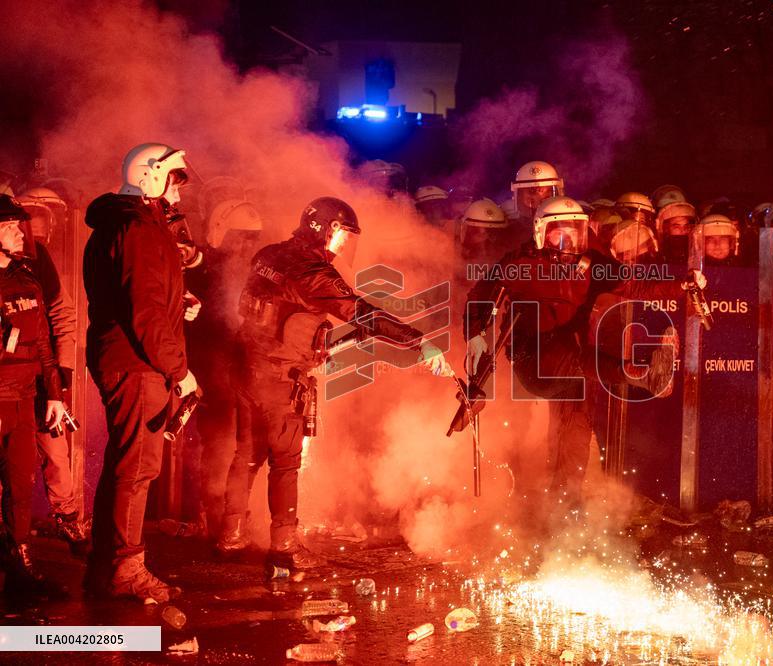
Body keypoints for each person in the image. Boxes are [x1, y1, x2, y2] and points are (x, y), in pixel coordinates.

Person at [217, 197, 450, 570]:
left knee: (246, 455)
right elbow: (363, 314)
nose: (343, 245)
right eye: (342, 235)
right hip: (280, 376)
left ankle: (230, 535)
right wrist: (417, 341)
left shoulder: (270, 254)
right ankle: (285, 548)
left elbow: (277, 311)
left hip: (247, 369)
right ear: (324, 228)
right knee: (285, 463)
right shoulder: (313, 271)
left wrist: (317, 346)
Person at [464, 197, 672, 505]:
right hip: (532, 356)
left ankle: (566, 500)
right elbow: (481, 296)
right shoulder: (522, 264)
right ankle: (638, 373)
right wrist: (476, 335)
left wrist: (683, 286)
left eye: (576, 233)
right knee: (569, 364)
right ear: (541, 233)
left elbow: (636, 286)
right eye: (559, 234)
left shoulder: (592, 264)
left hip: (571, 355)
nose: (569, 242)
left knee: (576, 421)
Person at [83, 143, 199, 602]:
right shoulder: (138, 229)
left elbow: (141, 297)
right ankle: (125, 570)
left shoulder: (127, 225)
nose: (179, 190)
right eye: (175, 179)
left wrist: (179, 304)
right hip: (138, 363)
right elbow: (145, 312)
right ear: (150, 176)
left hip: (129, 357)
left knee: (125, 463)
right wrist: (181, 371)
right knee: (137, 467)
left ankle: (106, 566)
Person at [0, 195, 68, 596]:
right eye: (8, 226)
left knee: (21, 487)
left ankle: (22, 563)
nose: (18, 232)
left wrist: (55, 395)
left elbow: (43, 343)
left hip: (23, 402)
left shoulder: (28, 280)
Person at [15, 187, 87, 554]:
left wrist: (63, 374)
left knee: (56, 451)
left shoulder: (37, 258)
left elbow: (61, 314)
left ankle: (68, 519)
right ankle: (11, 536)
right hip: (9, 378)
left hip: (41, 372)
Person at [186, 197, 263, 536]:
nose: (246, 245)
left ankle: (237, 516)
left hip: (243, 371)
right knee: (217, 442)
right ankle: (213, 515)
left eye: (251, 238)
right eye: (240, 236)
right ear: (221, 233)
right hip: (210, 372)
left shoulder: (253, 273)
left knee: (244, 444)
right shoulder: (203, 268)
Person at [509, 161, 564, 235]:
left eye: (546, 198)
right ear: (520, 197)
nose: (538, 197)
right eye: (531, 191)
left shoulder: (565, 224)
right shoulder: (512, 231)